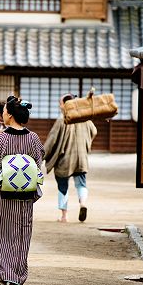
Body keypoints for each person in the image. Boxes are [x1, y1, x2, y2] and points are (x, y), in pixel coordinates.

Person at [0, 96, 44, 285]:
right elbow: (38, 162)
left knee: (2, 233)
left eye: (4, 111)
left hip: (4, 194)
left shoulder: (0, 138)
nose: (2, 114)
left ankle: (3, 274)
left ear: (9, 114)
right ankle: (15, 279)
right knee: (21, 234)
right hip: (26, 194)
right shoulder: (33, 138)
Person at [44, 93, 97, 223]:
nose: (60, 106)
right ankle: (83, 204)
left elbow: (51, 141)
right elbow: (94, 131)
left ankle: (64, 215)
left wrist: (42, 154)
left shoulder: (62, 119)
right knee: (81, 184)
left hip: (64, 160)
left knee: (63, 186)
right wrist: (85, 144)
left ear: (66, 105)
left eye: (60, 103)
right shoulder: (84, 119)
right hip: (81, 159)